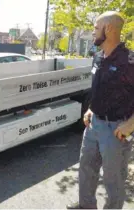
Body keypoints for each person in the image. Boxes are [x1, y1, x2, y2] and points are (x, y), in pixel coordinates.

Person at [67, 11, 134, 209]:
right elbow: (99, 89)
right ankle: (86, 206)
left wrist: (130, 124)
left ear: (109, 29)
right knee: (86, 170)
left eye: (96, 28)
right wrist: (90, 109)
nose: (93, 32)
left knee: (114, 180)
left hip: (116, 129)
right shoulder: (98, 56)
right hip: (93, 124)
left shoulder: (129, 61)